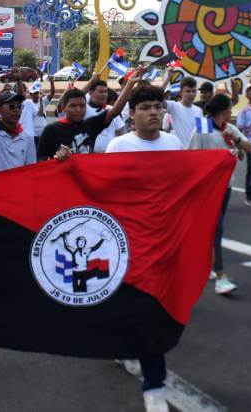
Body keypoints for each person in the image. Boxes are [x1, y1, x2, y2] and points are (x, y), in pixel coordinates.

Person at [105, 85, 181, 412]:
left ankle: (153, 382)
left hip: (163, 240)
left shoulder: (174, 143)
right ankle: (146, 375)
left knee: (153, 312)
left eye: (158, 107)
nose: (154, 112)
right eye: (146, 107)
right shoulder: (118, 146)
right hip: (128, 240)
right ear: (131, 113)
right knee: (133, 307)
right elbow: (102, 188)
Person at [188, 94, 251, 295]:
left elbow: (250, 149)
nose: (231, 111)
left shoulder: (229, 129)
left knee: (213, 230)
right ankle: (220, 276)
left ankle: (204, 265)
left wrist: (236, 142)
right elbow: (192, 155)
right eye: (229, 108)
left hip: (225, 187)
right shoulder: (204, 126)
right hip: (208, 188)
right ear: (223, 110)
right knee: (216, 230)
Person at [38, 69, 141, 161]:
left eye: (82, 106)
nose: (78, 109)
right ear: (64, 107)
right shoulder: (50, 130)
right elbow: (40, 164)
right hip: (62, 180)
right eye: (73, 106)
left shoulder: (90, 125)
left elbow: (115, 110)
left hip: (85, 180)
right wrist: (57, 159)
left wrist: (130, 83)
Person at [159, 75, 203, 149]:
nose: (192, 94)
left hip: (195, 153)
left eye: (194, 91)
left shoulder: (199, 110)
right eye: (188, 91)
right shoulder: (174, 106)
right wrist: (168, 78)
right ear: (180, 92)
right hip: (179, 152)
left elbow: (202, 133)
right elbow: (158, 97)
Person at [84, 78, 126, 153]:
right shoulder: (83, 110)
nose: (104, 94)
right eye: (100, 92)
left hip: (110, 155)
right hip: (89, 156)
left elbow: (120, 132)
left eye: (105, 92)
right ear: (90, 92)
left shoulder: (112, 110)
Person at [20, 79, 56, 148]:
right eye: (34, 94)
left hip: (44, 133)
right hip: (33, 134)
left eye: (36, 93)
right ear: (30, 94)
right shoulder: (28, 104)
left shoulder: (43, 100)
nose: (35, 95)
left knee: (44, 154)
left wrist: (51, 82)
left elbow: (52, 93)